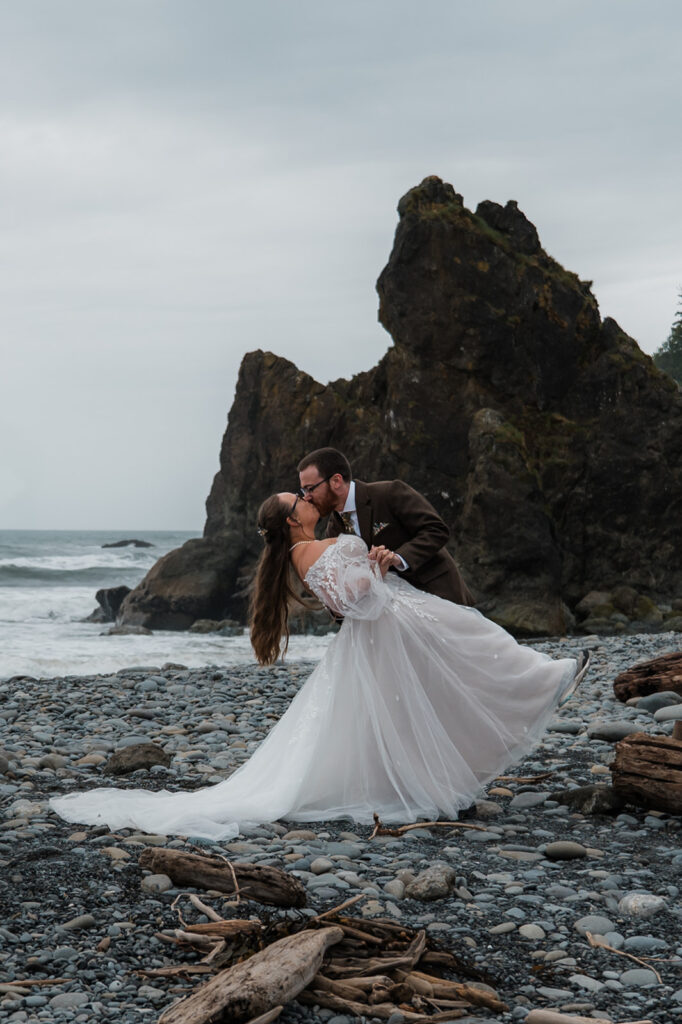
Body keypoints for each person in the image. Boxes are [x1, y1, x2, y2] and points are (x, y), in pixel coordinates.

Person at [49, 492, 589, 841]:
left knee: (456, 661)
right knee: (465, 652)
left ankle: (538, 685)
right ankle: (544, 683)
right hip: (386, 625)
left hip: (388, 628)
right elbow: (353, 600)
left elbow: (342, 598)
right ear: (292, 520)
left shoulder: (308, 550)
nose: (308, 499)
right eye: (299, 500)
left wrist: (370, 567)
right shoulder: (308, 553)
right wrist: (375, 568)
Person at [297, 447, 474, 606]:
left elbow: (436, 530)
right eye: (304, 491)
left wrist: (398, 558)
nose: (307, 497)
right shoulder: (333, 531)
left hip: (441, 597)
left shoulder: (389, 493)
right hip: (397, 616)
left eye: (310, 488)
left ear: (336, 481)